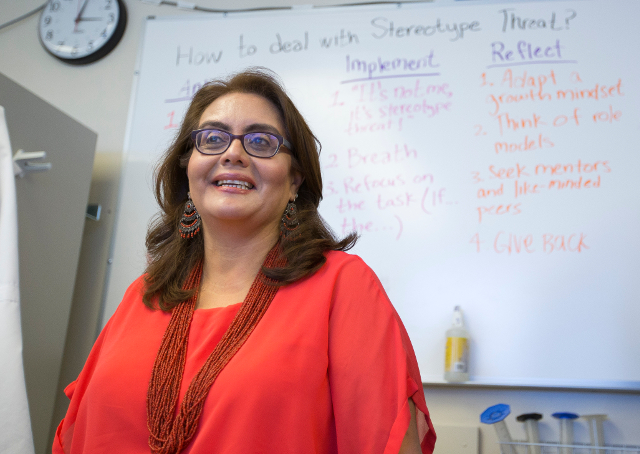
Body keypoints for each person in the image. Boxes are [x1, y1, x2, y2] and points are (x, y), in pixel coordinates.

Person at [53, 68, 436, 454]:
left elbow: (388, 441)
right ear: (188, 171)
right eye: (213, 138)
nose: (233, 153)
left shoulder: (342, 285)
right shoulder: (145, 293)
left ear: (294, 181)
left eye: (261, 141)